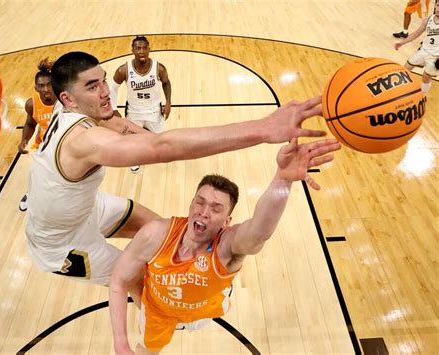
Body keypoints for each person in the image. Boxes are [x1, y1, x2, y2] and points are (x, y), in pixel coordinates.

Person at [25, 50, 327, 287]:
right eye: (93, 86)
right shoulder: (83, 140)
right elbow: (162, 149)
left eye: (103, 80)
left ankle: (184, 284)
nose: (105, 91)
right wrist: (262, 129)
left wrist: (168, 142)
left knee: (163, 235)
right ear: (69, 99)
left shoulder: (76, 106)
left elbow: (130, 129)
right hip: (61, 244)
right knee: (146, 279)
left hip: (85, 209)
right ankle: (158, 321)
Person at [108, 137, 341, 355]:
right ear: (190, 205)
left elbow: (259, 232)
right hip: (159, 312)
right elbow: (119, 280)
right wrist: (120, 342)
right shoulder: (155, 234)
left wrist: (283, 180)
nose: (204, 212)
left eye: (216, 208)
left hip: (206, 309)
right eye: (199, 202)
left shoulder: (227, 246)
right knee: (145, 350)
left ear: (227, 222)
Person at [110, 35, 172, 173]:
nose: (141, 51)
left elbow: (166, 83)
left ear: (149, 49)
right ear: (132, 50)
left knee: (160, 138)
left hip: (154, 110)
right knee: (131, 141)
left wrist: (168, 102)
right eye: (138, 48)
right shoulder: (124, 70)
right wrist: (114, 109)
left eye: (144, 48)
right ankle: (134, 160)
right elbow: (112, 88)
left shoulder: (159, 68)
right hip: (134, 112)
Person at [18, 58, 57, 212]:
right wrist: (24, 140)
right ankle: (32, 194)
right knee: (37, 172)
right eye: (42, 85)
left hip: (64, 144)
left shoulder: (64, 100)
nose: (46, 89)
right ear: (36, 88)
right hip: (44, 144)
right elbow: (30, 124)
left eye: (49, 84)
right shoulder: (31, 104)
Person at [394, 0, 439, 94]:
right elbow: (416, 34)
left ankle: (423, 96)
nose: (438, 9)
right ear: (435, 6)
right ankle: (398, 91)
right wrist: (402, 43)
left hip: (435, 57)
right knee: (405, 69)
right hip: (423, 51)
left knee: (426, 77)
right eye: (438, 6)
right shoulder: (429, 19)